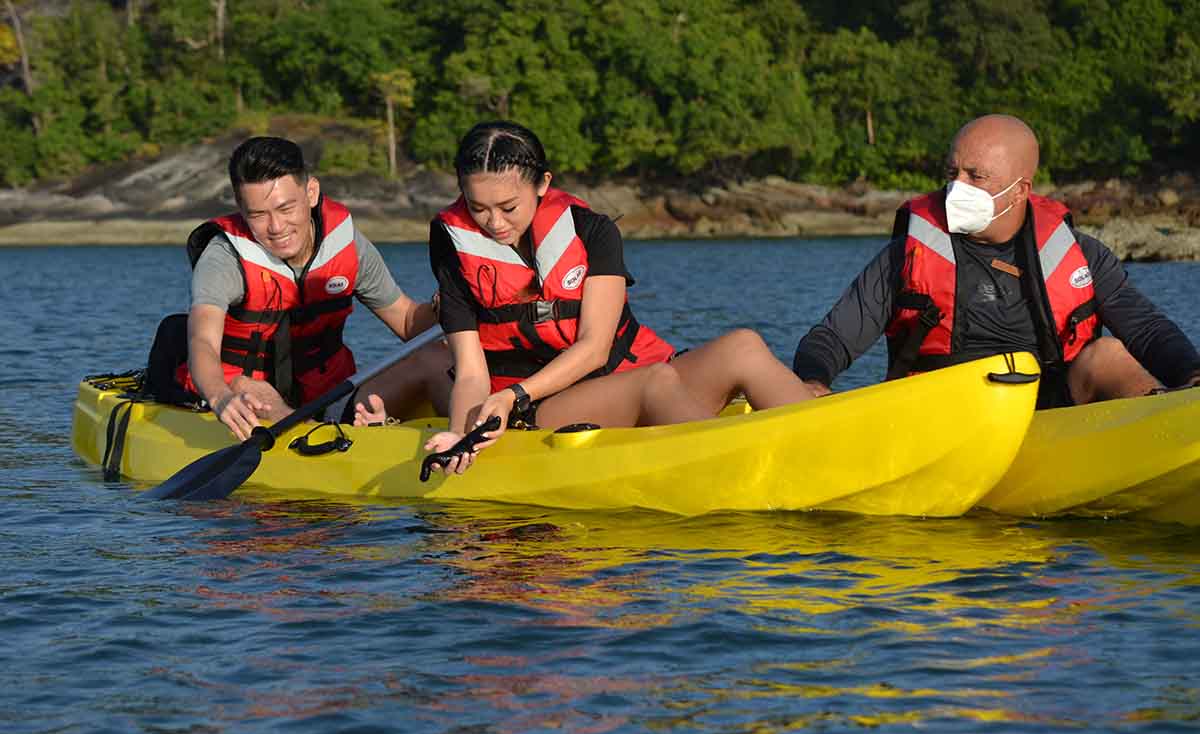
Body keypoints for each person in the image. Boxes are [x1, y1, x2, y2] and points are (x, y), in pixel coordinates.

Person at [358, 120, 814, 472]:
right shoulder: (454, 249)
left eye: (508, 208)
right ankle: (744, 469)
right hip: (536, 407)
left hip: (605, 377)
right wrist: (463, 433)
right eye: (478, 209)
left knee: (743, 346)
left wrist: (515, 393)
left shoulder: (593, 232)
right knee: (656, 382)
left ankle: (828, 434)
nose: (493, 223)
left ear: (542, 184)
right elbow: (473, 373)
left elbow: (595, 347)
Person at [792, 114, 1200, 407]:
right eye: (952, 173)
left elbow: (1146, 328)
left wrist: (1191, 373)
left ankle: (1165, 429)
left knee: (1108, 355)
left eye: (975, 176)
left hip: (1049, 412)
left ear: (1021, 190)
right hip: (942, 413)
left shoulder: (1079, 254)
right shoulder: (909, 255)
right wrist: (814, 378)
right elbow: (832, 337)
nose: (957, 187)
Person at [174, 136, 451, 440]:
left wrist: (448, 306)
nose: (276, 227)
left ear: (311, 193)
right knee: (248, 388)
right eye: (258, 215)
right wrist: (218, 396)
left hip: (331, 397)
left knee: (435, 357)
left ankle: (469, 442)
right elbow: (202, 340)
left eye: (286, 208)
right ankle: (317, 441)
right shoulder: (224, 257)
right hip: (243, 399)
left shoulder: (344, 244)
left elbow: (408, 320)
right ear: (241, 209)